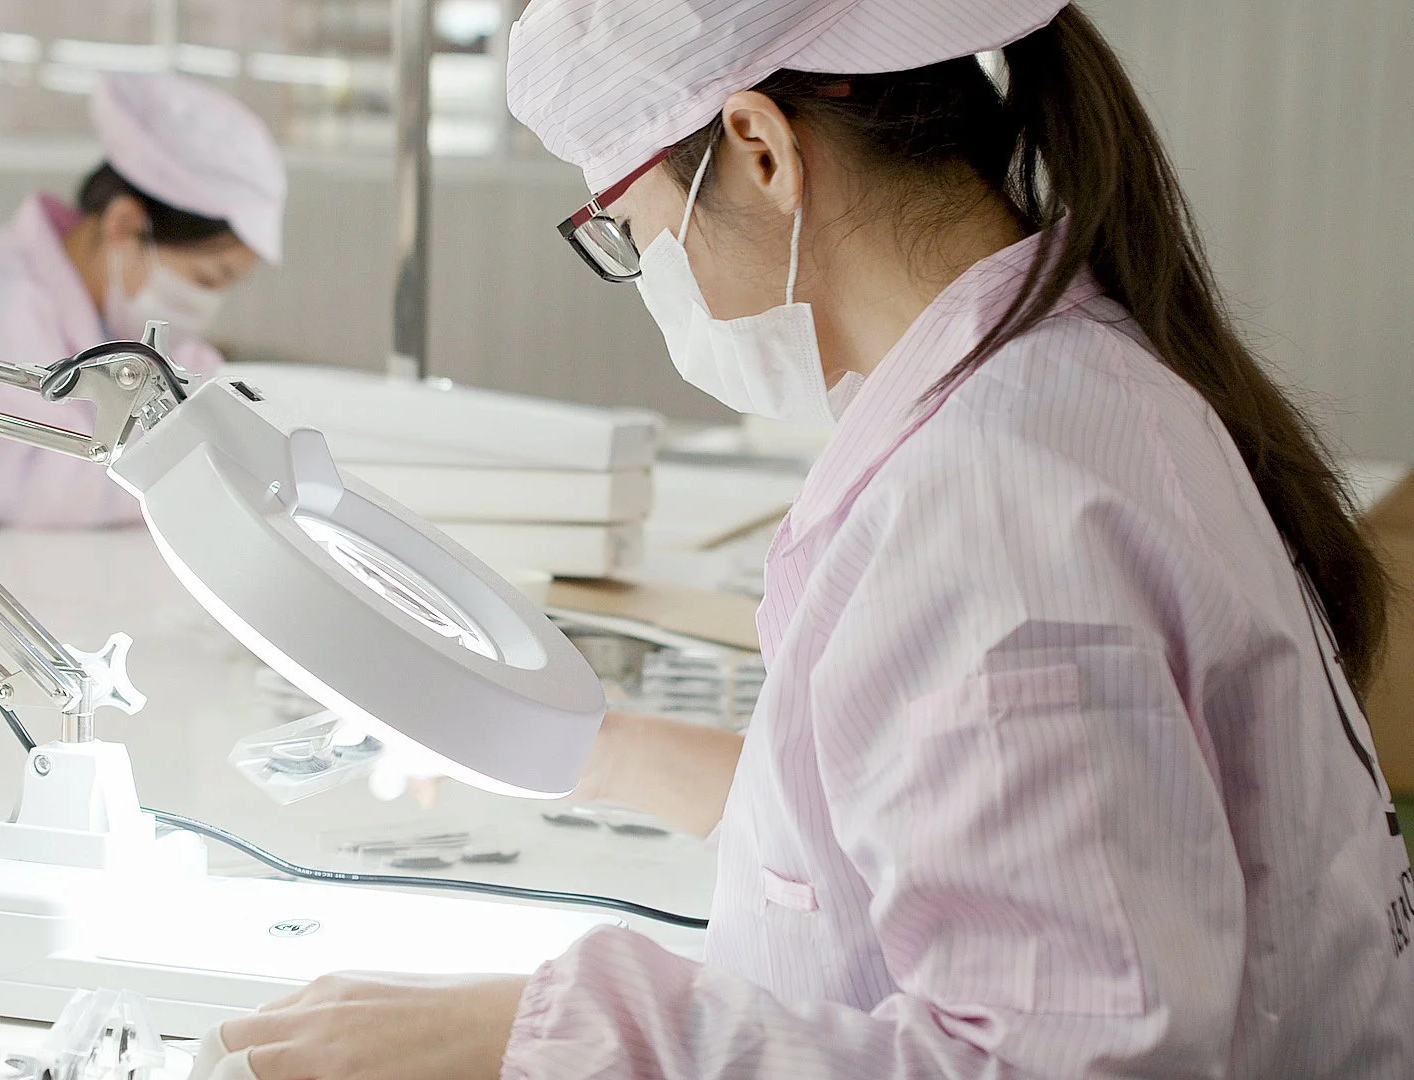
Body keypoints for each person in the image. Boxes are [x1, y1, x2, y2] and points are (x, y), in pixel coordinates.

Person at [209, 1, 1414, 1077]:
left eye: (628, 227)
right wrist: (590, 749)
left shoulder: (996, 504)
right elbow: (889, 831)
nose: (649, 277)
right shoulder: (1053, 390)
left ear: (761, 148)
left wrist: (530, 1034)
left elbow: (1066, 1057)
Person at [0, 72, 284, 531]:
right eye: (206, 278)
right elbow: (17, 491)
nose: (208, 305)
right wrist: (196, 459)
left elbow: (194, 403)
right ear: (124, 224)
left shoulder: (113, 318)